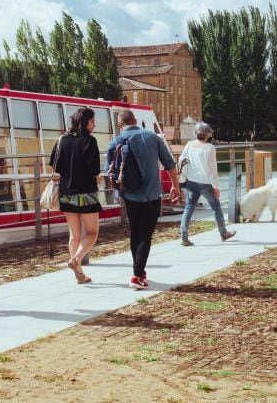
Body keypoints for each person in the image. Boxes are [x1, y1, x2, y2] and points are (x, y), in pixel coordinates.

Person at [106, 109, 181, 290]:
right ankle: (137, 275)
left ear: (120, 124)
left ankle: (139, 271)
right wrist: (175, 186)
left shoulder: (116, 141)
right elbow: (170, 164)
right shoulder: (153, 137)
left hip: (130, 195)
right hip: (152, 194)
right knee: (145, 235)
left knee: (135, 233)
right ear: (135, 120)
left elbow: (109, 171)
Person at [50, 107, 102, 284]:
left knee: (74, 235)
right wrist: (98, 177)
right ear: (85, 122)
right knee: (92, 233)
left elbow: (55, 166)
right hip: (86, 193)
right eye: (92, 121)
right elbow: (95, 169)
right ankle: (75, 260)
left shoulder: (62, 140)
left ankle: (79, 274)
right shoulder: (90, 141)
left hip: (67, 193)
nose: (94, 125)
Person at [177, 122, 235, 245]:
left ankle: (183, 237)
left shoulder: (188, 145)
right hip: (205, 183)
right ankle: (223, 233)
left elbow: (181, 160)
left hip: (191, 182)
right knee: (216, 207)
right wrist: (216, 187)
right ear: (207, 135)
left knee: (189, 208)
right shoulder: (209, 148)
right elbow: (212, 170)